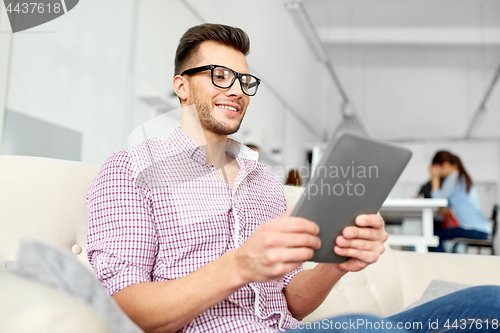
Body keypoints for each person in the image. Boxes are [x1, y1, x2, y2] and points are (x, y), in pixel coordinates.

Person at [87, 24, 500, 333]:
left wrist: (338, 264)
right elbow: (123, 307)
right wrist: (241, 264)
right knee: (370, 326)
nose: (236, 90)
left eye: (244, 81)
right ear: (181, 86)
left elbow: (291, 303)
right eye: (219, 75)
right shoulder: (131, 169)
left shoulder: (263, 181)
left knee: (487, 304)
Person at [429, 151, 491, 252]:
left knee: (433, 236)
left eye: (436, 168)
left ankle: (441, 266)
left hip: (473, 229)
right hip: (481, 229)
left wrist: (434, 179)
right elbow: (445, 207)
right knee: (444, 237)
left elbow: (437, 201)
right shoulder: (460, 176)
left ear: (445, 164)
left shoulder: (453, 178)